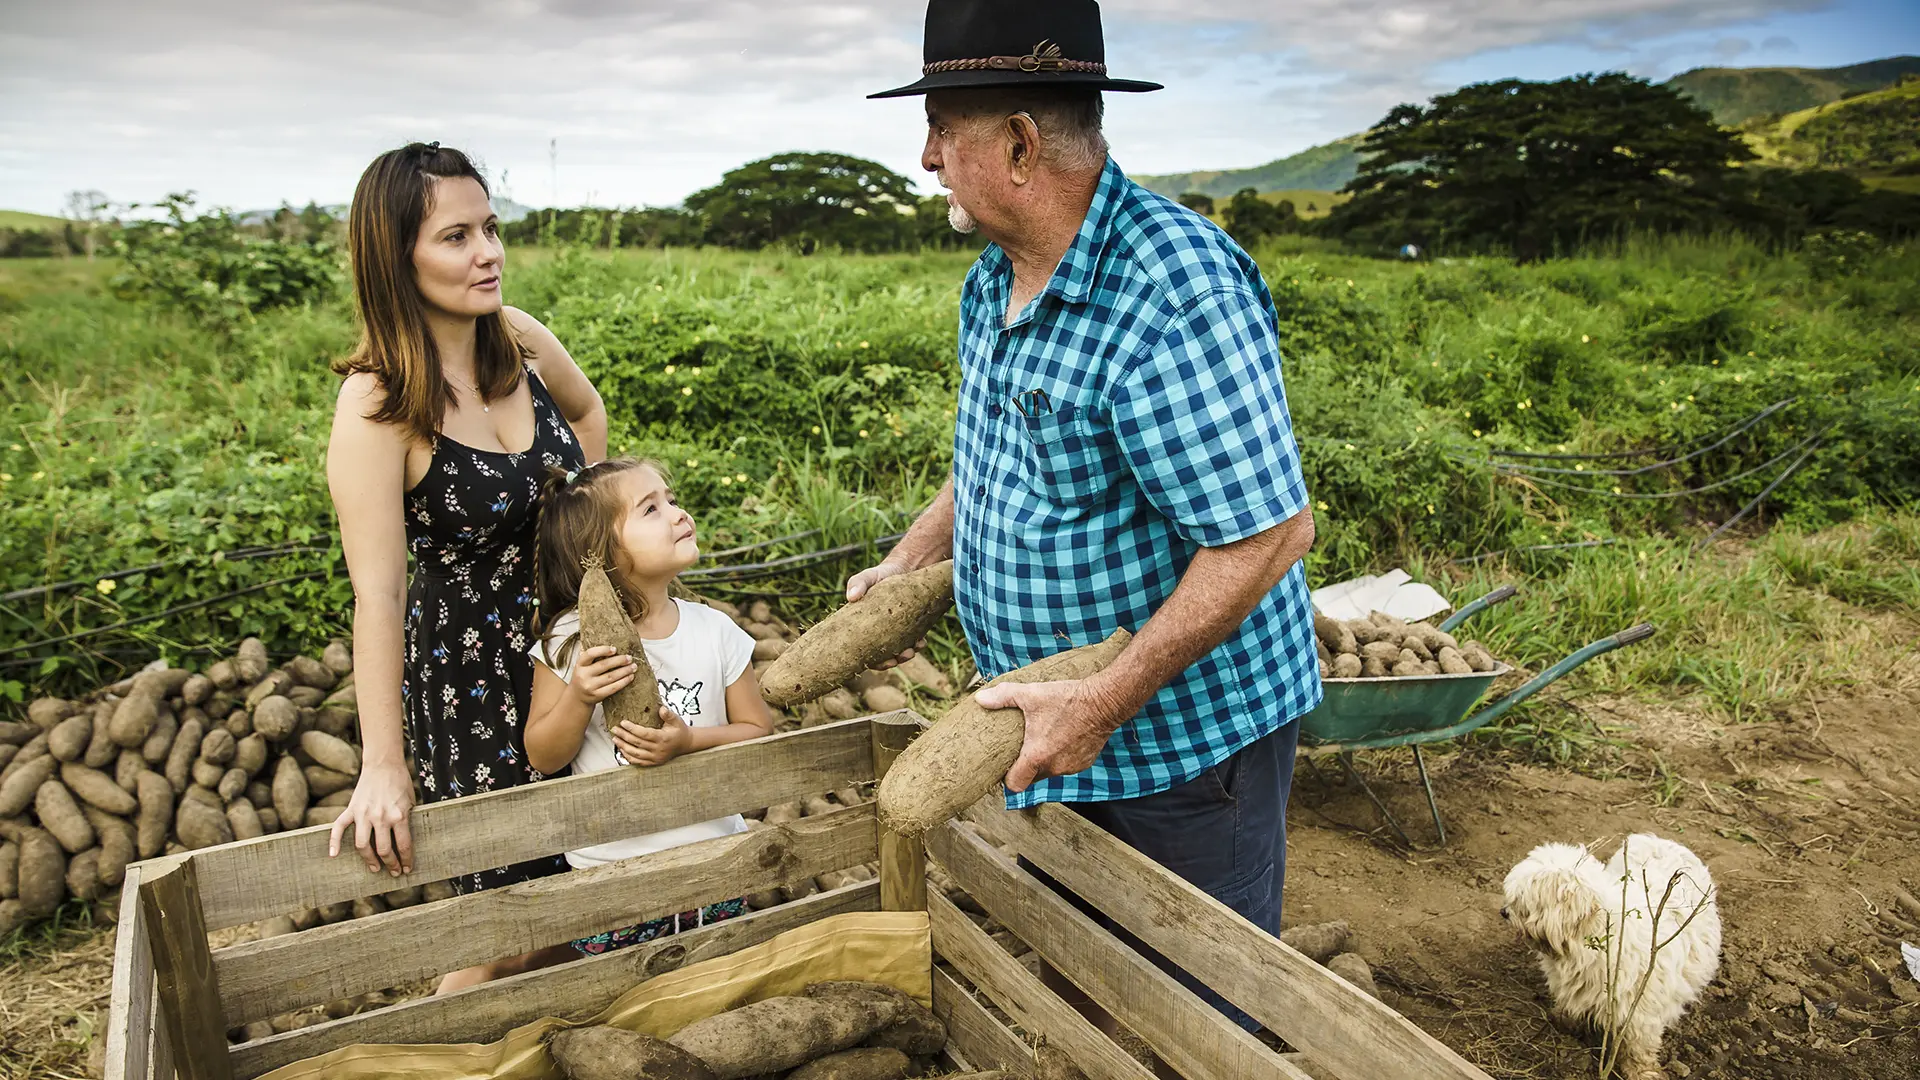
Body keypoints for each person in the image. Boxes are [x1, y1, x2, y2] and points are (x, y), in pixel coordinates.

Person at [858, 0, 1321, 1054]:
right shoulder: (995, 280)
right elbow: (990, 460)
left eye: (941, 127)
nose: (926, 157)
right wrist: (909, 560)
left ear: (1018, 144)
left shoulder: (1173, 290)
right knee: (1091, 956)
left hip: (1184, 743)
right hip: (1060, 728)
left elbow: (1267, 536)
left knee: (1196, 998)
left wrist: (1103, 701)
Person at [324, 142, 609, 993]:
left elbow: (587, 413)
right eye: (456, 237)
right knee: (505, 930)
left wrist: (580, 535)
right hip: (474, 679)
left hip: (570, 649)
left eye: (489, 227)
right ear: (395, 257)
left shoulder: (517, 340)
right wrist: (384, 765)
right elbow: (376, 596)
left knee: (585, 899)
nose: (487, 252)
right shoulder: (378, 404)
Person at [523, 458, 775, 953]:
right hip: (611, 879)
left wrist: (688, 742)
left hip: (714, 864)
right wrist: (578, 697)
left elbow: (756, 730)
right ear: (602, 553)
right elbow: (542, 755)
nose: (677, 514)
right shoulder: (570, 640)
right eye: (651, 509)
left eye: (672, 501)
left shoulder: (714, 630)